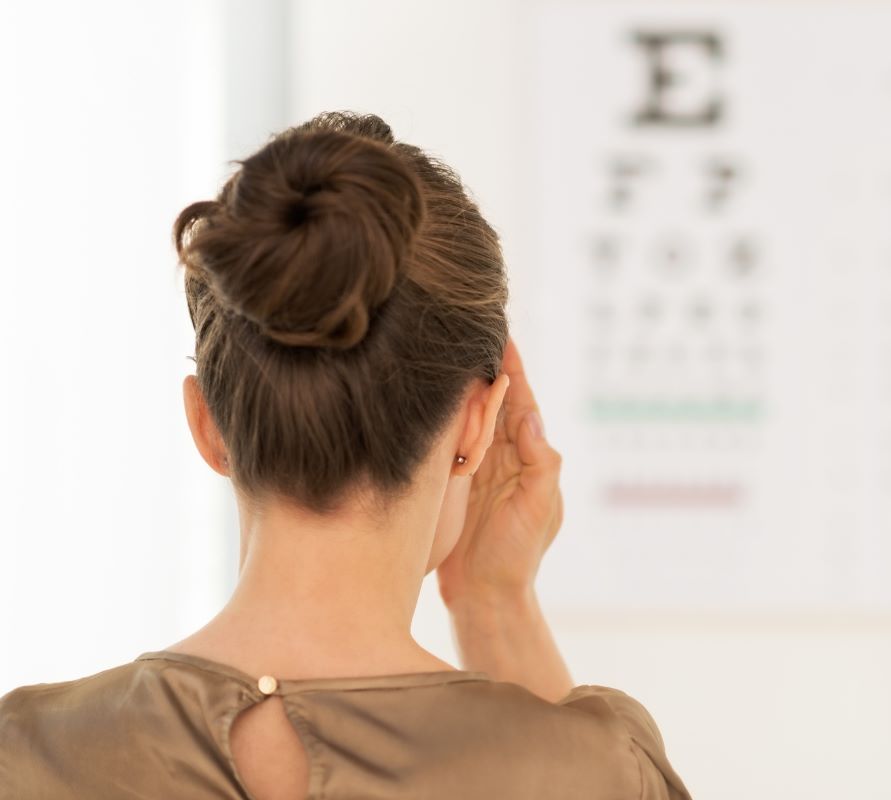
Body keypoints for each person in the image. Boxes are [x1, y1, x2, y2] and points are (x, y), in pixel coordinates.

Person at [0, 110, 691, 800]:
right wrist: (494, 604)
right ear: (478, 425)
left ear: (208, 425)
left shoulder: (25, 753)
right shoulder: (599, 772)